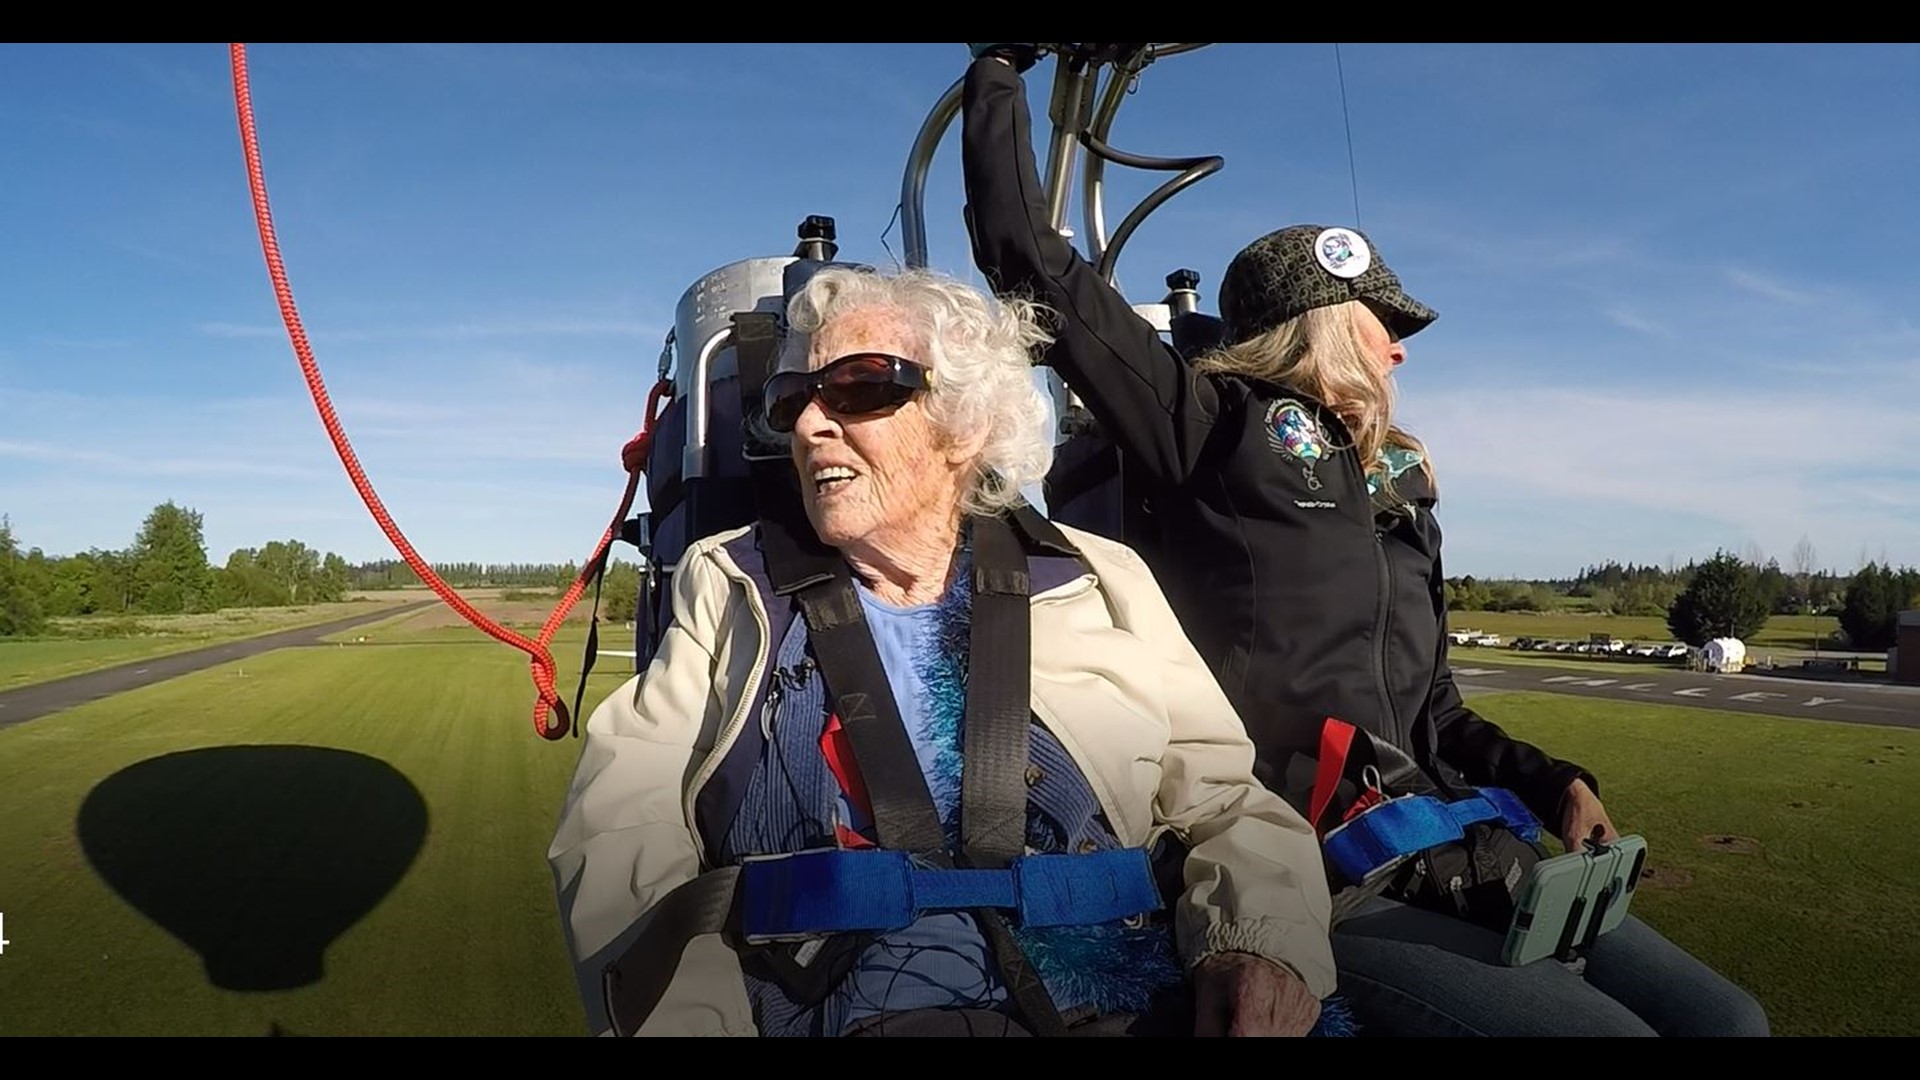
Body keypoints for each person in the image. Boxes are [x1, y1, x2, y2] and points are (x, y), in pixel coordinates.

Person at [958, 45, 1769, 1037]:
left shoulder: (1399, 487)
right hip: (1313, 867)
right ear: (1320, 324)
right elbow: (1026, 253)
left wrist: (1553, 779)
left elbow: (1437, 712)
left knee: (1727, 1020)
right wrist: (999, 67)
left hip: (1459, 840)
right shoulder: (1214, 426)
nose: (1398, 347)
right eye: (1381, 321)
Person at [545, 264, 1342, 1037]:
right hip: (821, 1004)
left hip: (1117, 1000)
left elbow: (1228, 803)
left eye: (860, 387)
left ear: (966, 423)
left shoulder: (1101, 576)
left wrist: (1258, 948)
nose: (813, 423)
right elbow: (623, 828)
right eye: (793, 399)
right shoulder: (729, 582)